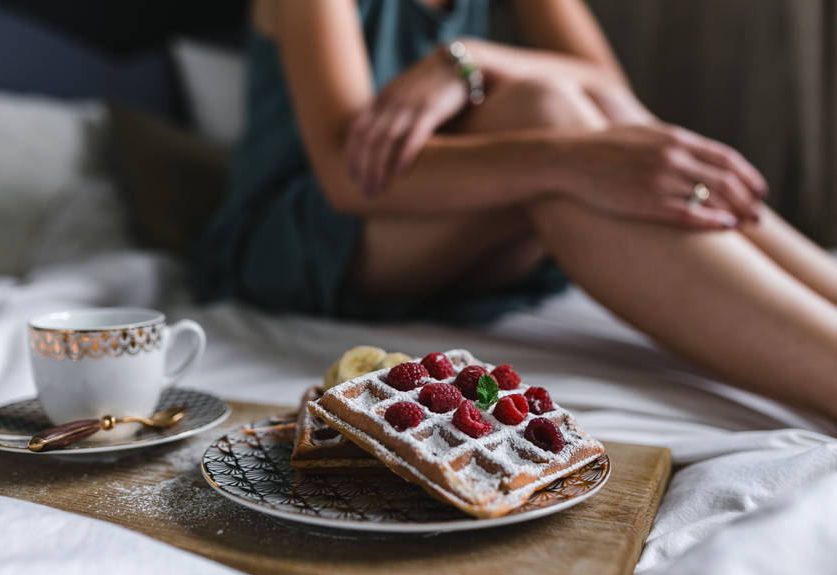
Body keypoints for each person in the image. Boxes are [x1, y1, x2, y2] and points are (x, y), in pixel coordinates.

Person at [196, 0, 837, 422]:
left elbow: (607, 84)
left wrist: (469, 59)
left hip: (451, 234)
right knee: (549, 116)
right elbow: (347, 179)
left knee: (584, 116)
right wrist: (570, 159)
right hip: (309, 240)